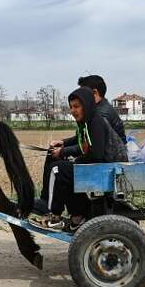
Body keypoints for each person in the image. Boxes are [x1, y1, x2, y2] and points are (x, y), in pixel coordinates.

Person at [36, 87, 128, 230]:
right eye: (71, 107)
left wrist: (63, 152)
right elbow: (81, 140)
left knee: (58, 169)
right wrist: (63, 143)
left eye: (77, 106)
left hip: (106, 167)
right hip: (99, 164)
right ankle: (77, 217)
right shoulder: (87, 122)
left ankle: (53, 215)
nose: (73, 110)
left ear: (87, 105)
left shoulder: (96, 121)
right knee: (58, 163)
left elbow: (94, 151)